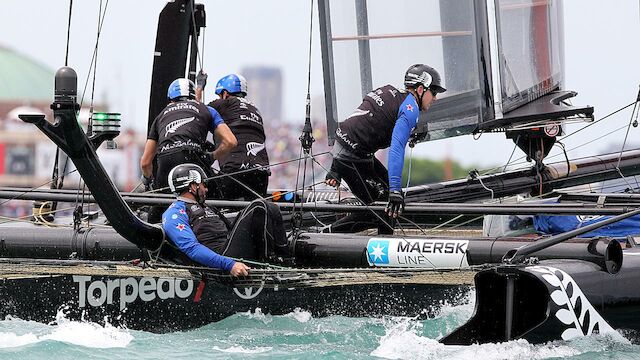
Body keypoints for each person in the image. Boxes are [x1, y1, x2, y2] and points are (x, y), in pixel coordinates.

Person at [325, 64, 446, 232]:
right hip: (351, 157)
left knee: (388, 204)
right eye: (433, 92)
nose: (435, 98)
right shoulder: (410, 109)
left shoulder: (390, 91)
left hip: (355, 154)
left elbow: (355, 124)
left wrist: (335, 168)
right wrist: (395, 190)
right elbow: (396, 149)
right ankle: (328, 234)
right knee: (382, 208)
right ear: (420, 89)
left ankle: (384, 242)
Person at [161, 163, 290, 274]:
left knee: (271, 207)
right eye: (203, 185)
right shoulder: (174, 213)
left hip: (229, 246)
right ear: (193, 187)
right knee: (258, 207)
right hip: (221, 257)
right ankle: (268, 265)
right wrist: (229, 265)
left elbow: (230, 229)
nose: (206, 189)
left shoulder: (207, 206)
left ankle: (285, 260)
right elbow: (191, 249)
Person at [140, 78, 237, 222]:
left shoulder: (161, 115)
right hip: (194, 161)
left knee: (159, 206)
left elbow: (145, 163)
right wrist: (211, 156)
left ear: (170, 100)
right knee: (216, 200)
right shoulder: (206, 110)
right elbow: (231, 142)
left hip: (166, 165)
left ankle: (153, 231)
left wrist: (148, 182)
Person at [197, 72, 270, 200]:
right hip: (261, 175)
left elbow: (196, 110)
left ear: (225, 93)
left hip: (234, 173)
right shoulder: (255, 110)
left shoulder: (224, 103)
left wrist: (200, 86)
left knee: (203, 195)